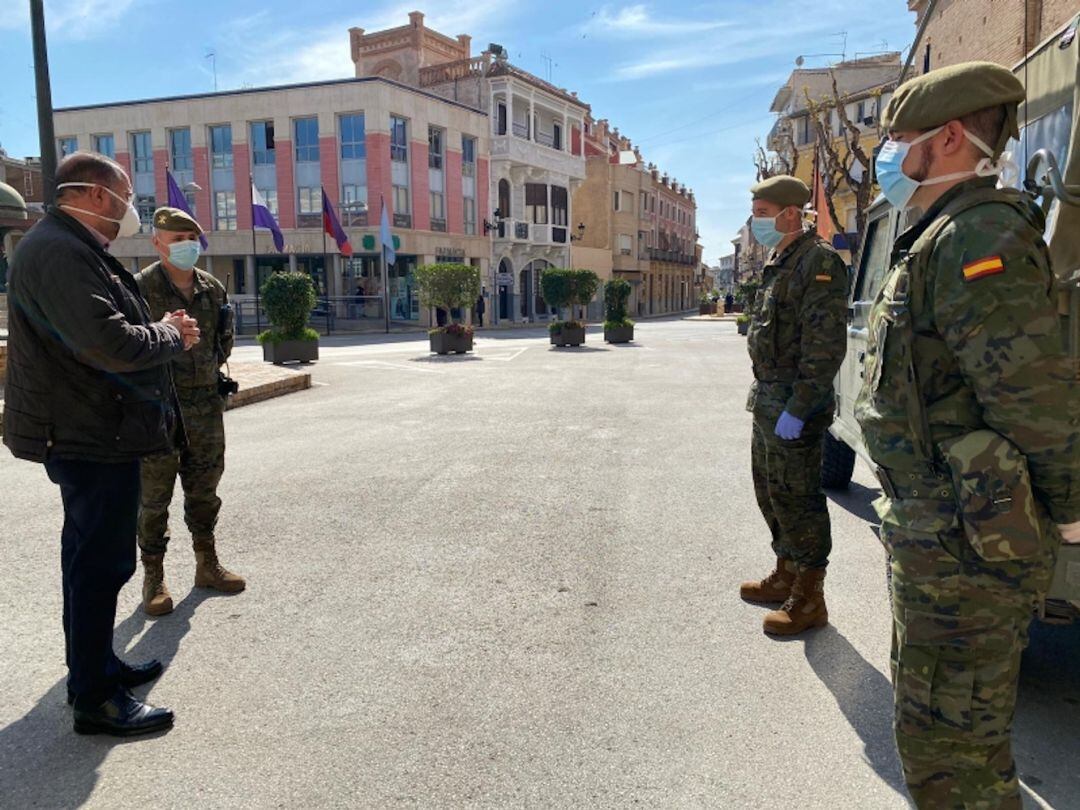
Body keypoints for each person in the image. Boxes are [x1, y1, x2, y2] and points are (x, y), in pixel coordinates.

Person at [855, 61, 1080, 808]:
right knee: (940, 742)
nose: (890, 153)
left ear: (948, 138)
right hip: (941, 538)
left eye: (901, 138)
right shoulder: (943, 232)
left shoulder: (980, 235)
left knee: (957, 759)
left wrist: (1072, 511)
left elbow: (1032, 396)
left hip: (970, 553)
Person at [3, 151, 200, 736]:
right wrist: (170, 333)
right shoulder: (61, 251)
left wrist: (158, 331)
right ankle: (93, 696)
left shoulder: (70, 248)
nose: (130, 207)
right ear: (92, 194)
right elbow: (108, 343)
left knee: (91, 562)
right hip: (90, 435)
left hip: (96, 429)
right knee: (98, 566)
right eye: (125, 194)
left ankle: (97, 668)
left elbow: (101, 331)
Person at [739, 175, 848, 636]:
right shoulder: (780, 260)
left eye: (762, 213)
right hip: (768, 399)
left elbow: (824, 347)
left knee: (799, 498)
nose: (756, 221)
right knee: (771, 491)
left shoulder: (817, 262)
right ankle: (785, 571)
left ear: (789, 214)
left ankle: (809, 596)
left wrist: (800, 407)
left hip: (794, 406)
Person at [136, 207, 245, 616]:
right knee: (154, 496)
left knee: (204, 489)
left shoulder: (212, 289)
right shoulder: (138, 289)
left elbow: (224, 343)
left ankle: (207, 563)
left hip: (204, 405)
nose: (185, 246)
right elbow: (126, 347)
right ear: (157, 242)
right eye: (176, 238)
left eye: (190, 238)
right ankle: (154, 577)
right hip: (157, 408)